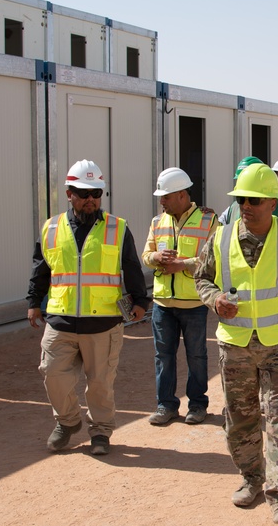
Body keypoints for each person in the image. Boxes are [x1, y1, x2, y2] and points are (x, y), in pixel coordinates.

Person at [195, 163, 278, 526]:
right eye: (240, 200)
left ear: (272, 202)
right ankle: (250, 477)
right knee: (239, 419)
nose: (245, 206)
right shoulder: (220, 237)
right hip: (234, 346)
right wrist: (214, 298)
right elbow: (201, 278)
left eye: (253, 200)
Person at [27, 159, 149, 456]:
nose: (91, 199)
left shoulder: (117, 228)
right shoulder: (51, 228)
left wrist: (141, 301)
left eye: (97, 193)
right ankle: (67, 422)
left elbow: (131, 267)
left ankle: (101, 432)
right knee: (52, 374)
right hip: (61, 319)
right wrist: (34, 302)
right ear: (69, 193)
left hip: (104, 321)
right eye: (84, 193)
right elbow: (41, 268)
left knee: (99, 384)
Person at [141, 167, 218, 426]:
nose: (161, 201)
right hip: (163, 303)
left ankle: (197, 405)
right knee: (163, 355)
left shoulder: (208, 220)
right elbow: (146, 255)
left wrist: (183, 264)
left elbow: (213, 259)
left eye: (166, 196)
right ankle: (166, 406)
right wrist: (155, 258)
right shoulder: (157, 222)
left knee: (196, 355)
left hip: (194, 302)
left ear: (182, 195)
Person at [219, 157, 278, 231]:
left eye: (254, 200)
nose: (245, 205)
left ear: (273, 204)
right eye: (240, 198)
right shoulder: (232, 209)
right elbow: (218, 228)